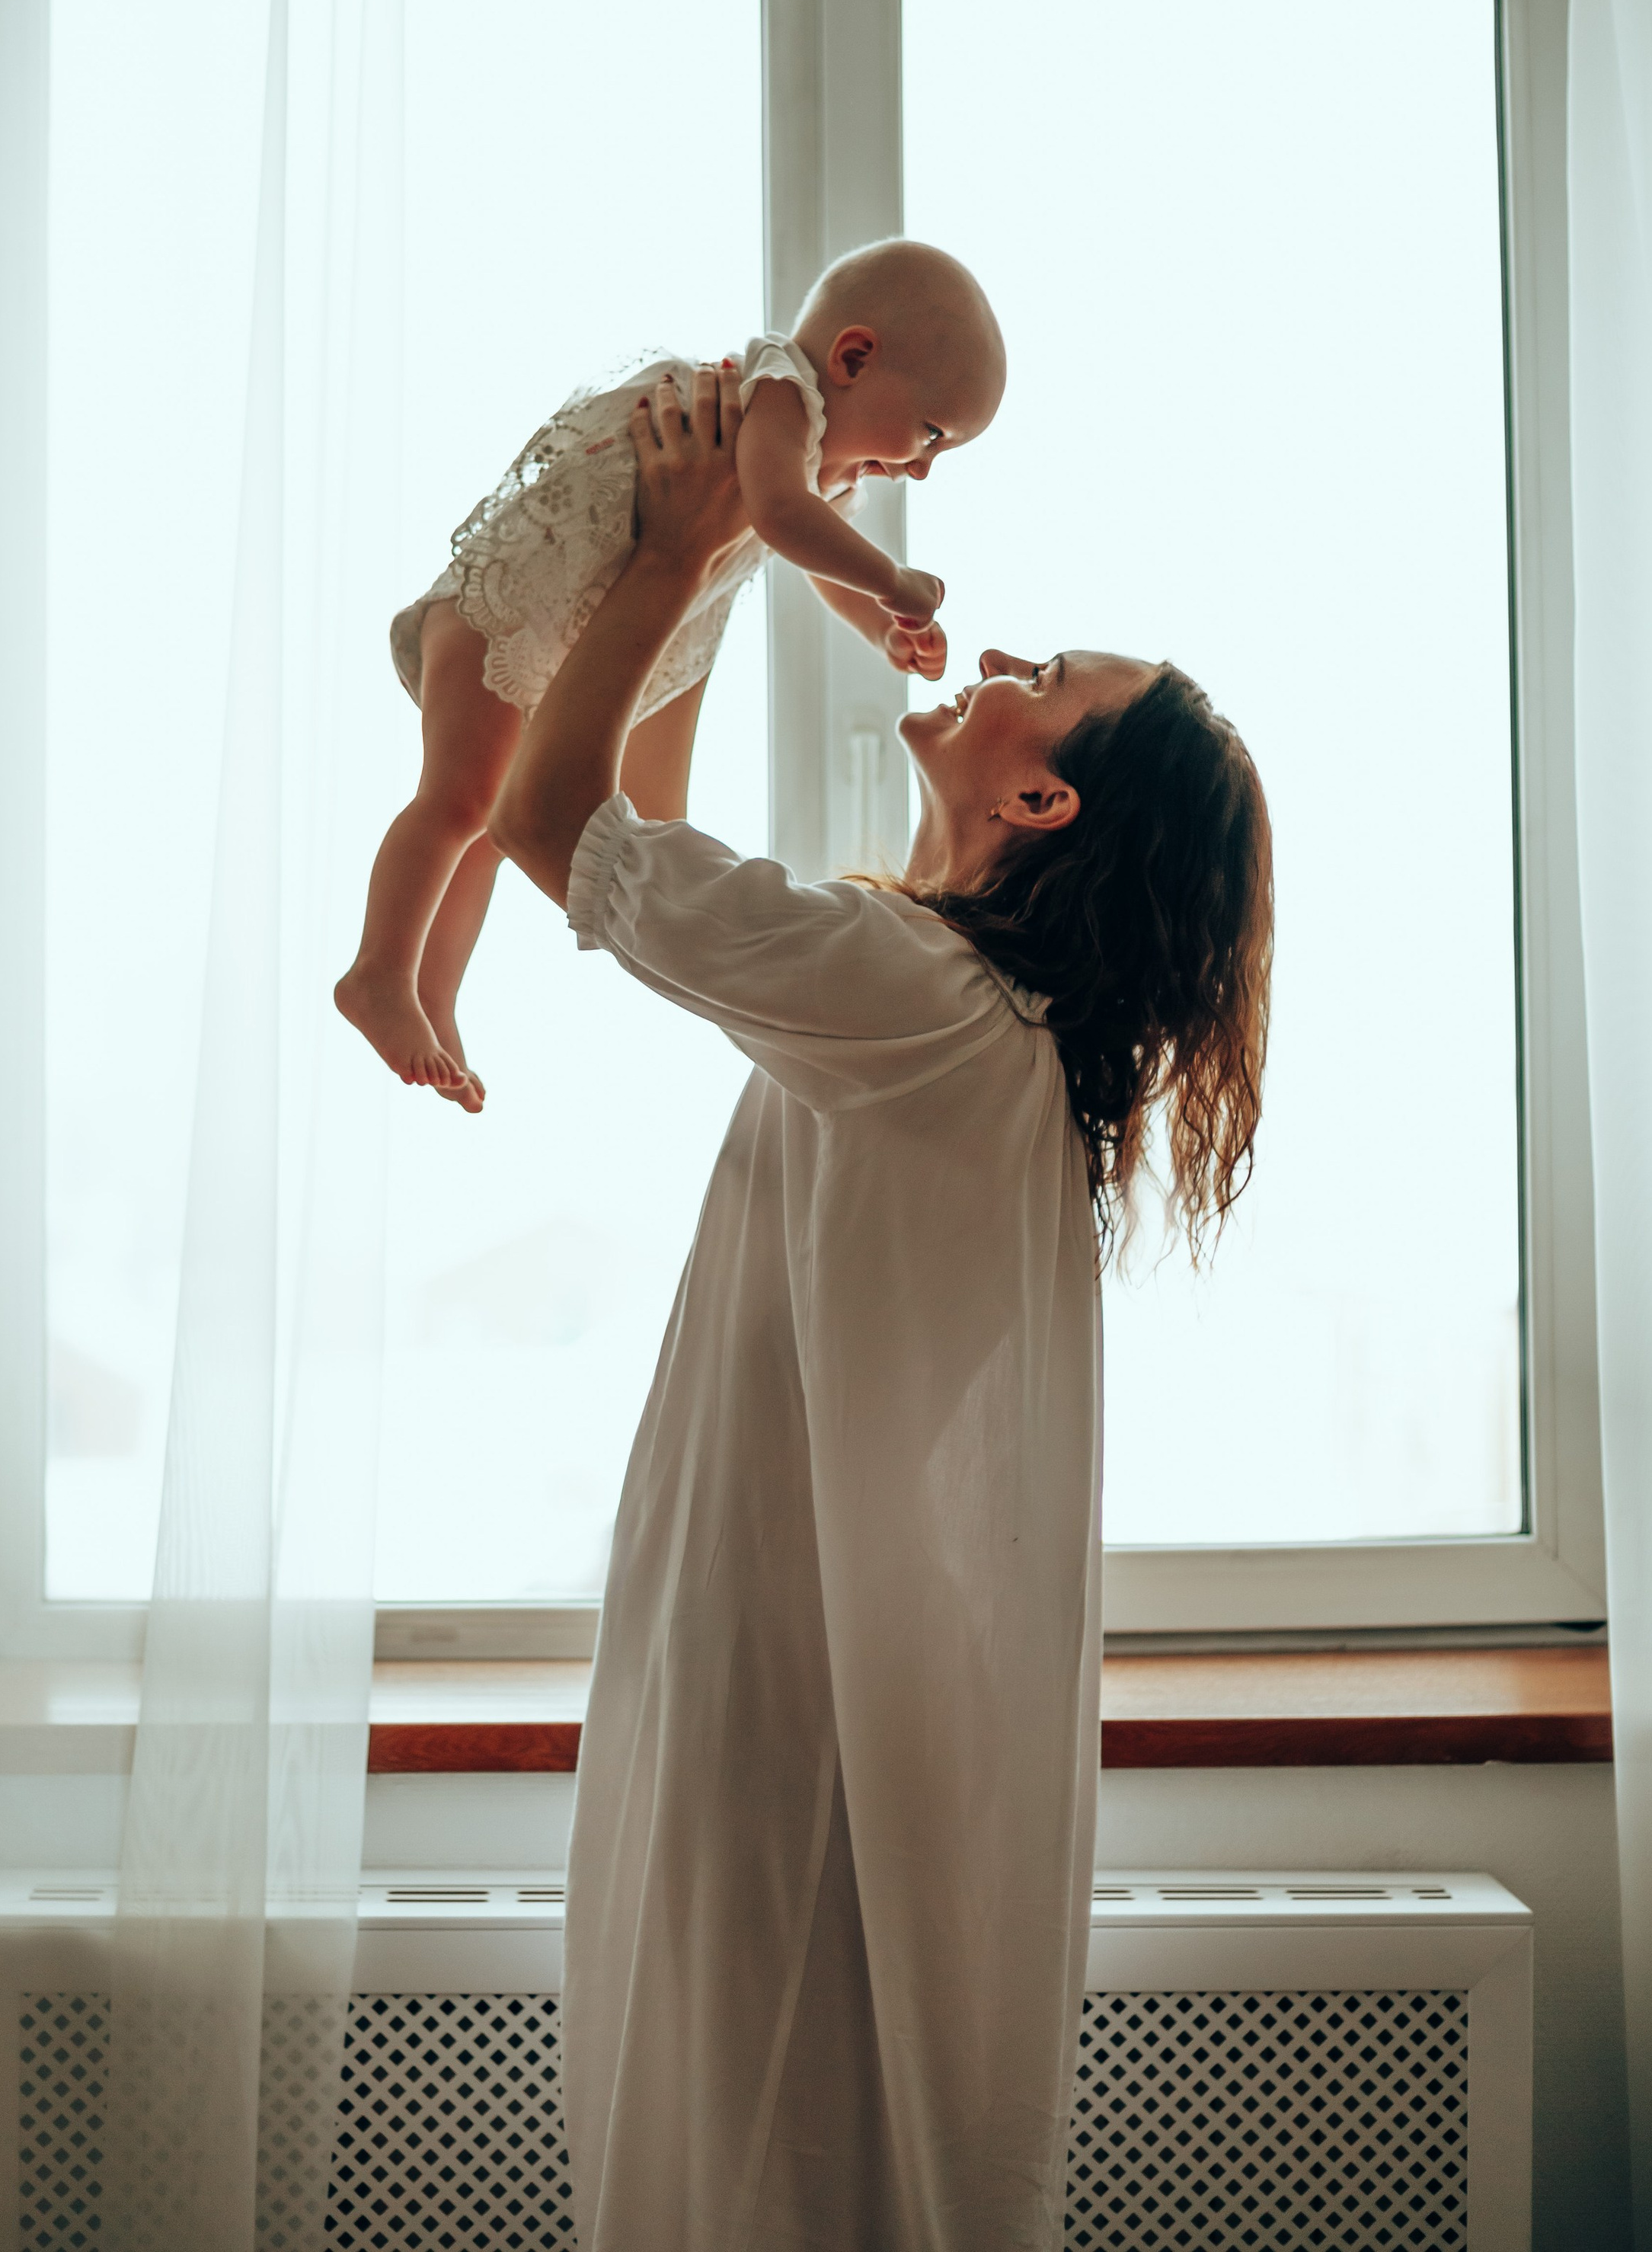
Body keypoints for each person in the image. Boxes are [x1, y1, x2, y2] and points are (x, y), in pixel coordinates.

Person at [489, 363, 1273, 2252]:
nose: (996, 652)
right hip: (811, 1658)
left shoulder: (917, 998)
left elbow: (551, 827)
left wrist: (688, 543)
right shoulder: (950, 1012)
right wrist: (703, 571)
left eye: (1043, 670)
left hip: (780, 1678)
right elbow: (646, 849)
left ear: (1037, 786)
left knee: (742, 2140)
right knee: (788, 2137)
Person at [336, 238, 1003, 1108]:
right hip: (516, 603)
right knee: (457, 799)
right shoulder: (779, 392)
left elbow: (806, 551)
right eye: (928, 435)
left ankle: (436, 995)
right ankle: (377, 970)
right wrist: (894, 580)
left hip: (565, 637)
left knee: (493, 829)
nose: (921, 468)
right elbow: (777, 515)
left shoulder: (821, 459)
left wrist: (881, 627)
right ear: (853, 356)